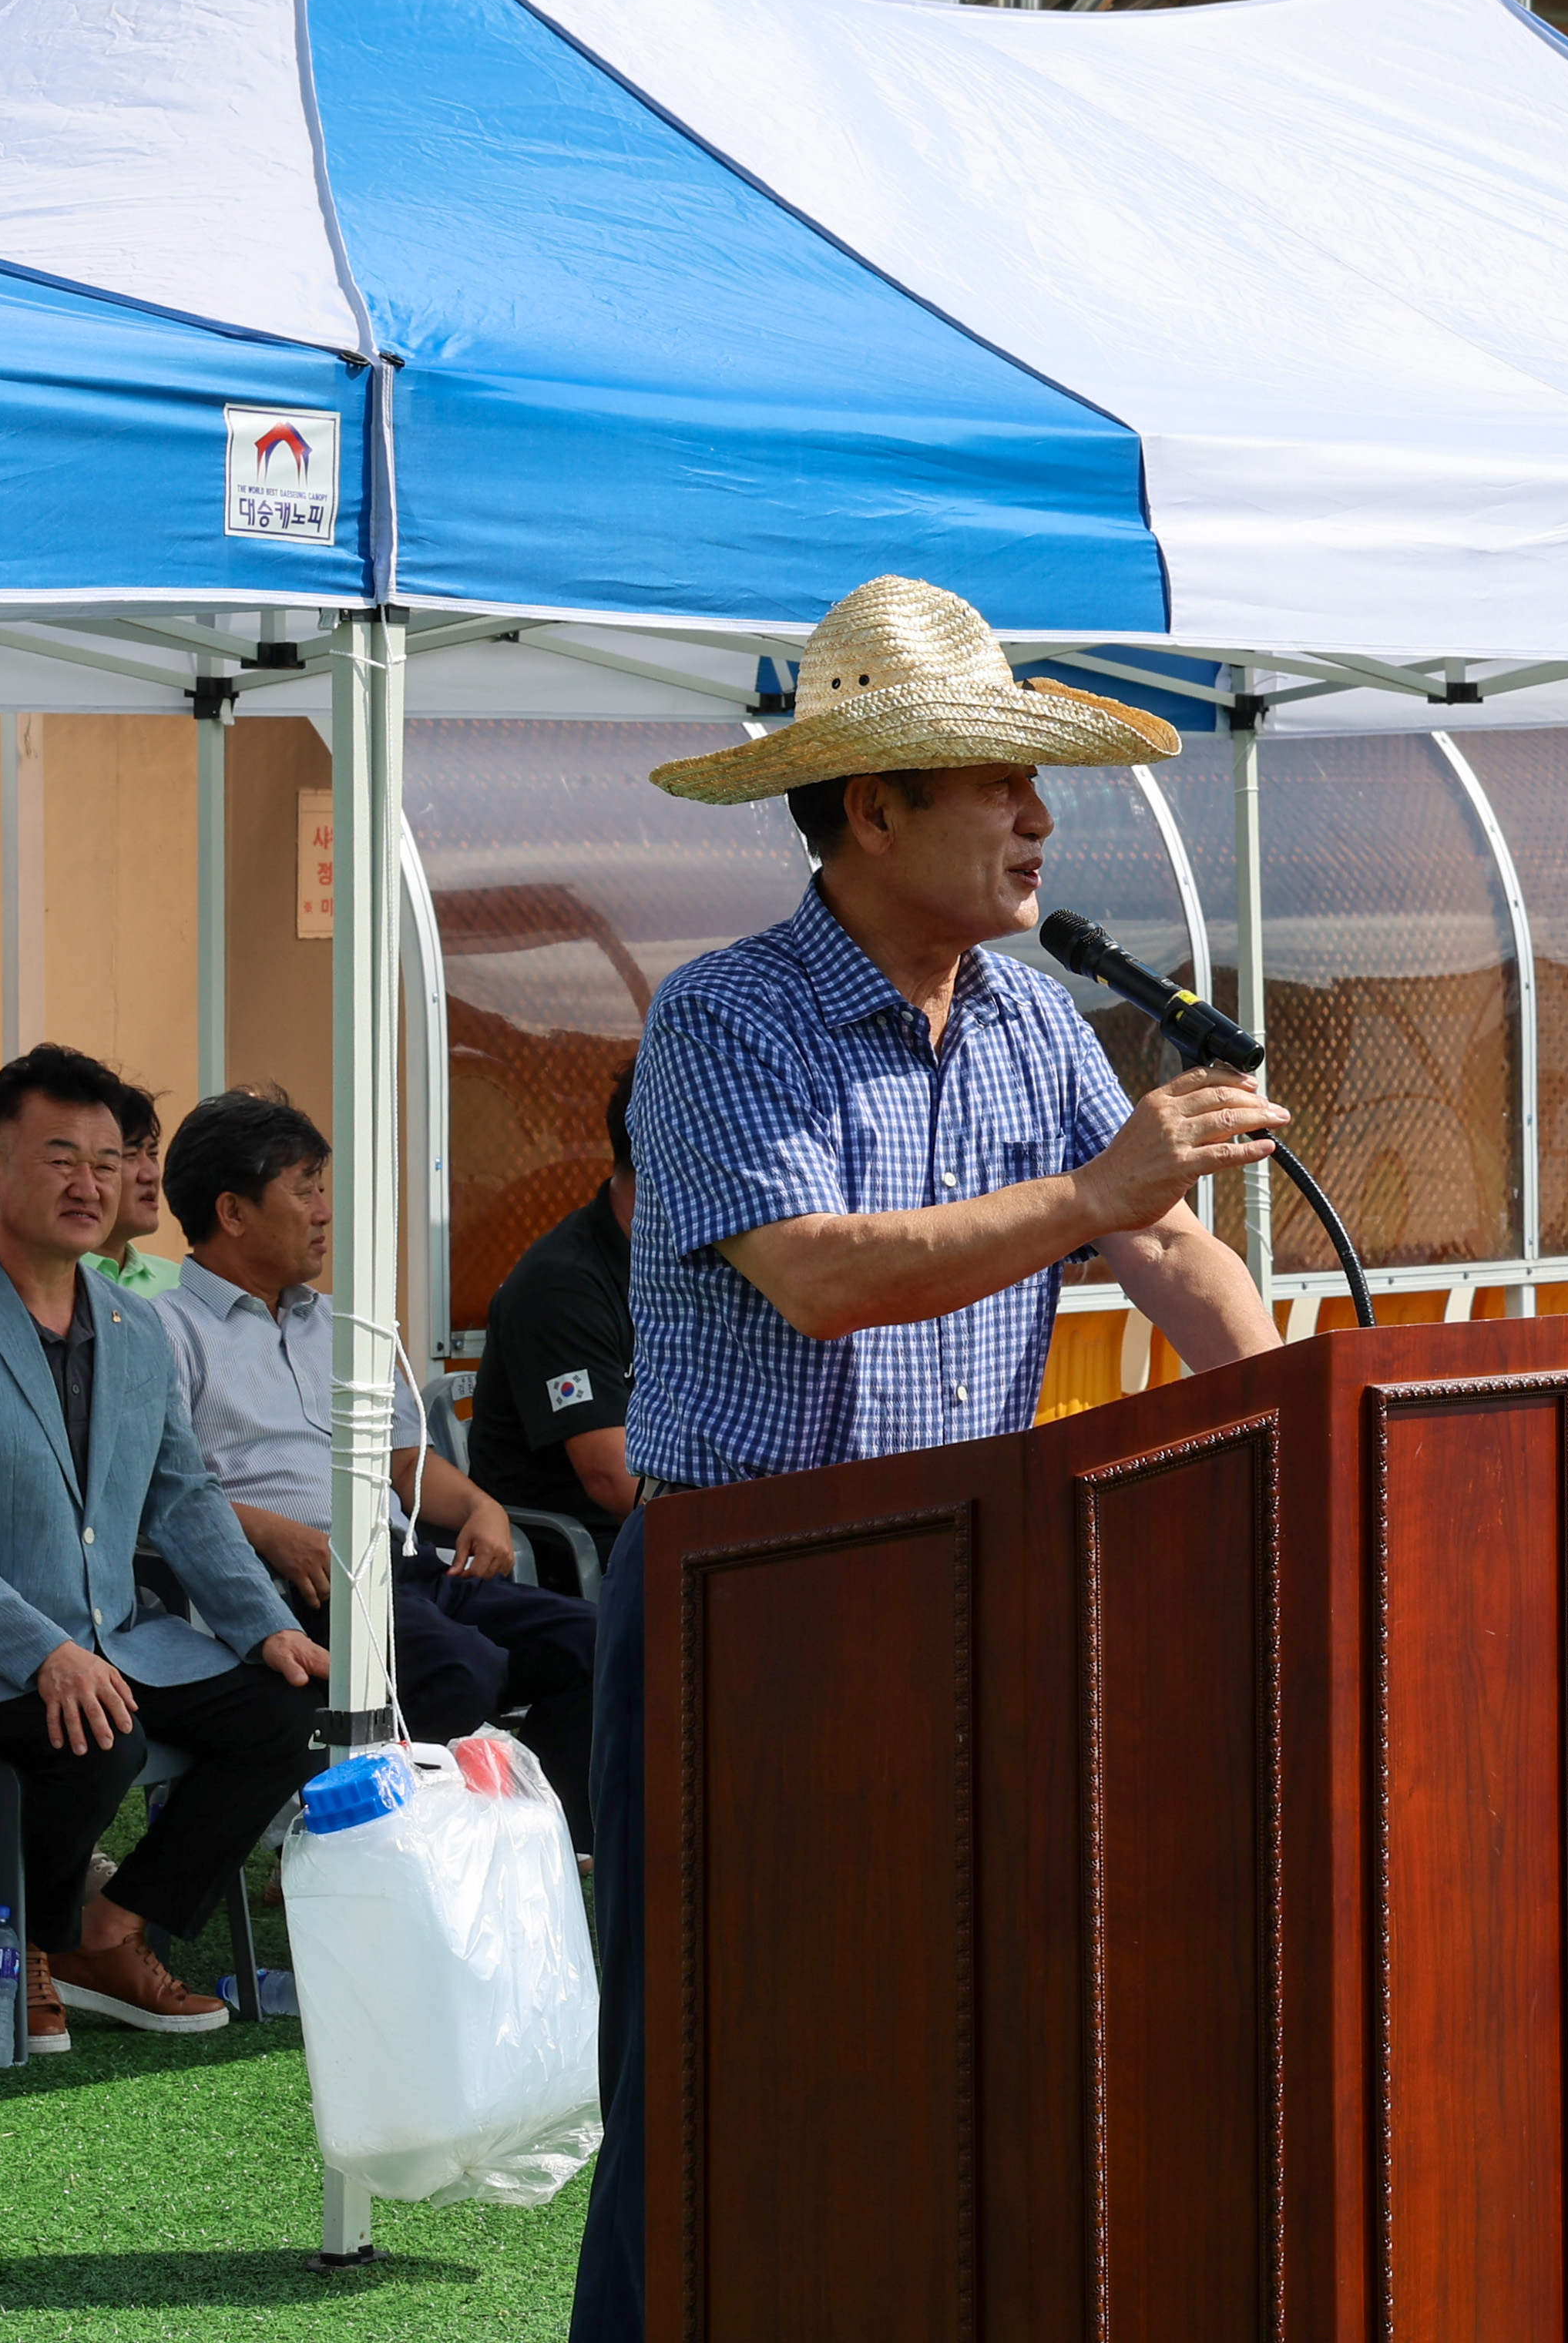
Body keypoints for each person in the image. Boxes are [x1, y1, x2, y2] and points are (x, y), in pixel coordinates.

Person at [569, 575, 1291, 2343]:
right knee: (715, 2058)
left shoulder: (1036, 1016)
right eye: (998, 781)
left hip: (969, 1593)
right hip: (746, 1598)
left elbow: (1177, 1260)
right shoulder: (725, 1018)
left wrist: (1303, 1438)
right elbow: (819, 1276)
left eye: (1038, 784)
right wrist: (1102, 1191)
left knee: (937, 2041)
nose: (1041, 818)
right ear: (868, 806)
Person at [0, 1043, 332, 2049]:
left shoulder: (131, 1324)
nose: (89, 1184)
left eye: (108, 1161)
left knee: (290, 1702)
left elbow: (184, 1494)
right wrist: (43, 1651)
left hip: (121, 1636)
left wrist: (262, 1626)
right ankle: (22, 1938)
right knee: (95, 1730)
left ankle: (108, 1932)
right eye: (60, 1157)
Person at [158, 1090, 599, 1805]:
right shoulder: (165, 1333)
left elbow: (402, 1462)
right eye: (304, 1192)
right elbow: (159, 1488)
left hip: (406, 1565)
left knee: (597, 1640)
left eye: (323, 1189)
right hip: (296, 1586)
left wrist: (481, 1507)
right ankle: (336, 1822)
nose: (325, 1212)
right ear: (232, 1213)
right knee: (461, 1668)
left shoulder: (344, 1324)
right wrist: (272, 1533)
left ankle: (544, 1831)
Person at [471, 1066, 637, 1563]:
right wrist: (746, 1531)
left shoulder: (704, 1262)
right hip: (586, 1556)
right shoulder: (560, 1285)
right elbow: (614, 1481)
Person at [86, 1080, 185, 1297]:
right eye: (130, 1155)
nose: (151, 1175)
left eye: (153, 1154)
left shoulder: (177, 1285)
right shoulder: (50, 1283)